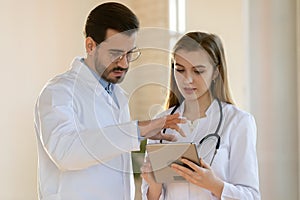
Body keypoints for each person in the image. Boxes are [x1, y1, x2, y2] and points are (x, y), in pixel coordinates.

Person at [34, 2, 185, 200]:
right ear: (90, 45)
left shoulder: (118, 96)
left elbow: (108, 148)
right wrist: (137, 130)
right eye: (115, 53)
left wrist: (140, 138)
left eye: (130, 53)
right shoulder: (58, 92)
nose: (124, 63)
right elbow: (66, 152)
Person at [141, 32, 260, 199]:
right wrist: (154, 186)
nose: (187, 80)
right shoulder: (161, 123)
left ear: (216, 72)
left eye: (198, 71)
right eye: (180, 70)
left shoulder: (238, 122)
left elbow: (251, 196)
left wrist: (214, 185)